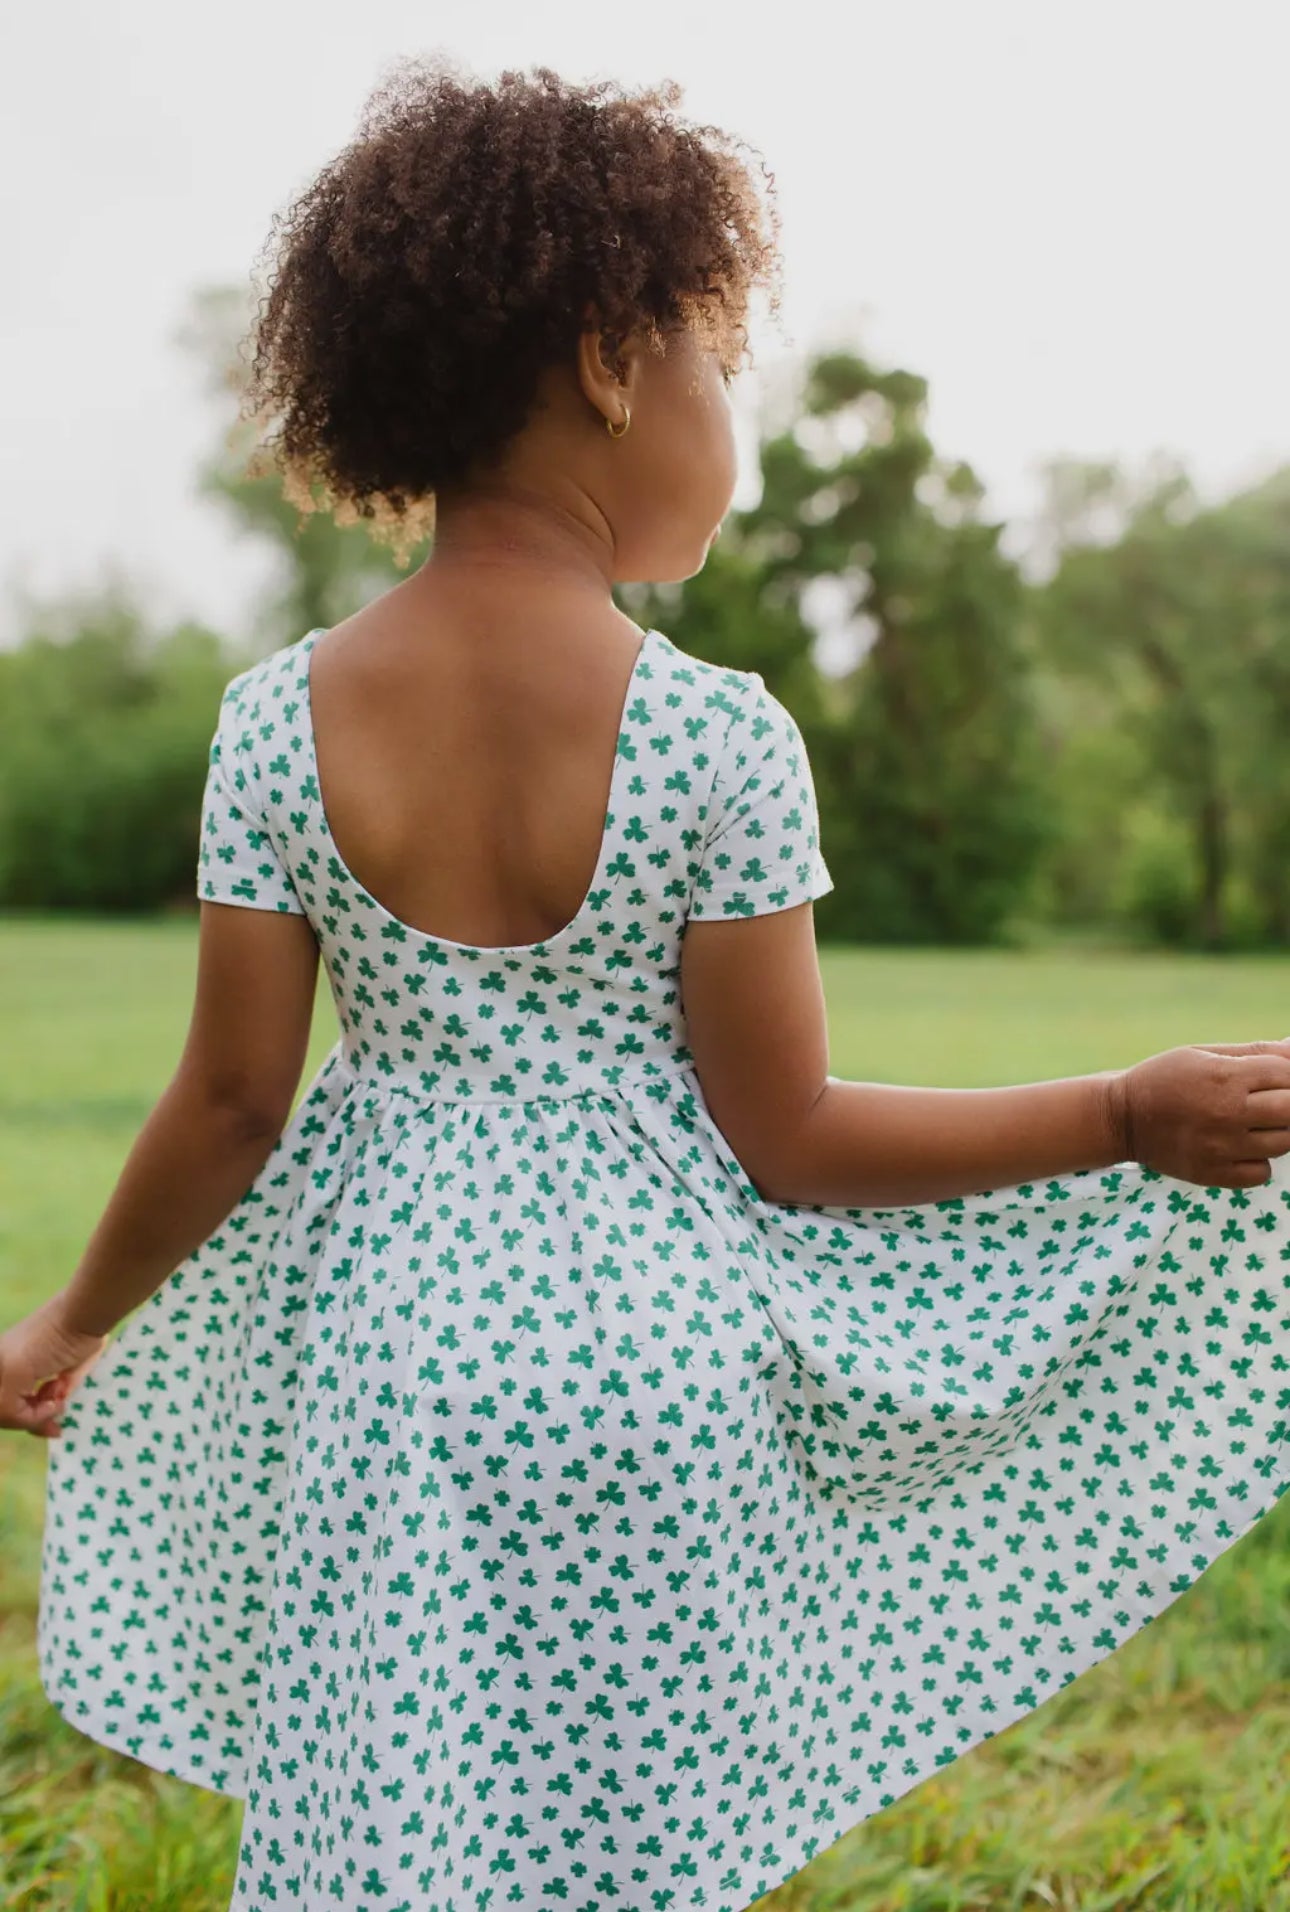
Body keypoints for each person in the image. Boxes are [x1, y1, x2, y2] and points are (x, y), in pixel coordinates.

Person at [3, 57, 1289, 1912]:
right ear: (614, 355)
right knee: (628, 1848)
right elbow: (796, 1136)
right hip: (658, 1390)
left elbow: (227, 1107)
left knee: (408, 1821)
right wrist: (1115, 1114)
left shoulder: (275, 724)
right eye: (714, 365)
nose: (727, 427)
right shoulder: (713, 737)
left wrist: (61, 1326)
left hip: (394, 1390)